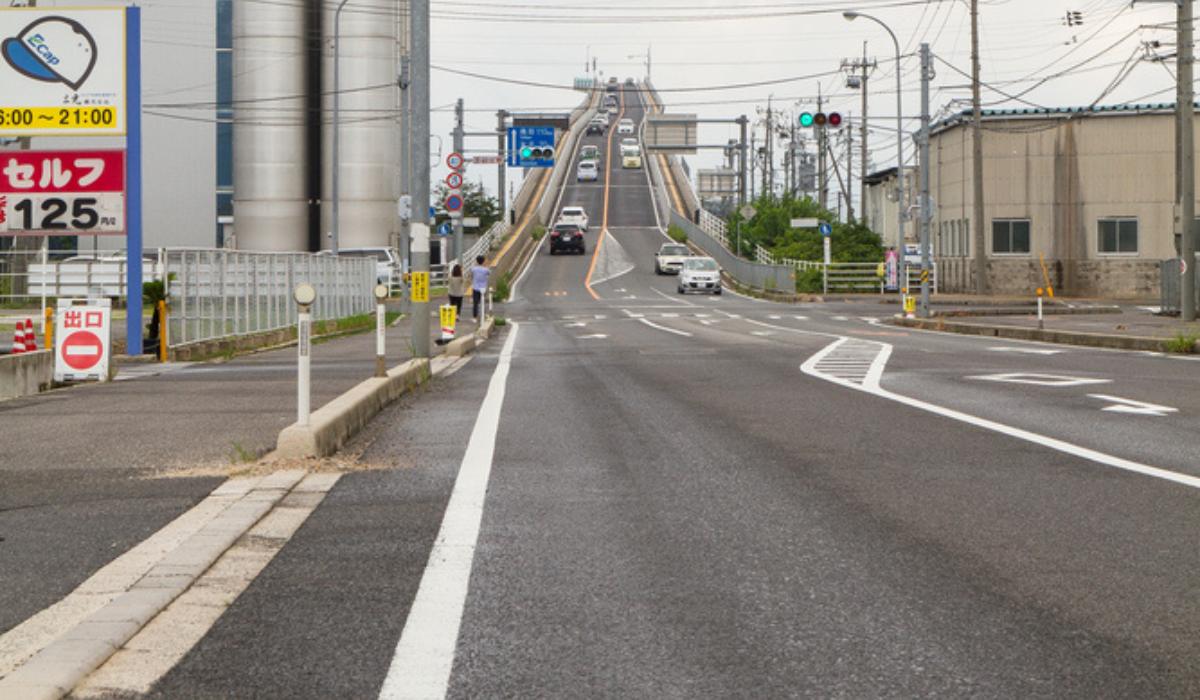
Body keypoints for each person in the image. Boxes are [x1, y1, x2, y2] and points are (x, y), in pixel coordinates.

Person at [470, 254, 490, 321]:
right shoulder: (486, 270)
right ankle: (484, 315)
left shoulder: (474, 269)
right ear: (483, 261)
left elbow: (471, 275)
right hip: (483, 288)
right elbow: (489, 273)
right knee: (483, 302)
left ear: (477, 261)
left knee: (475, 303)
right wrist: (486, 265)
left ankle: (474, 317)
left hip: (475, 288)